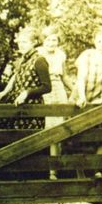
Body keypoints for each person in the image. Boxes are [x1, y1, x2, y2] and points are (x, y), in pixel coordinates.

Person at [71, 26, 102, 181]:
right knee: (76, 133)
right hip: (80, 97)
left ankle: (96, 169)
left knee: (98, 136)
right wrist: (81, 96)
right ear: (94, 42)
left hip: (98, 99)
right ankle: (78, 172)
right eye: (99, 41)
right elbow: (81, 77)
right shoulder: (87, 55)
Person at [0, 25, 52, 130]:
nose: (21, 45)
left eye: (24, 42)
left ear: (34, 42)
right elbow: (16, 76)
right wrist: (5, 91)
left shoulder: (39, 60)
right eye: (19, 42)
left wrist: (27, 93)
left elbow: (47, 87)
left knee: (29, 137)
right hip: (18, 104)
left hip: (32, 108)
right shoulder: (23, 59)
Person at [38, 25, 71, 179]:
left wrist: (77, 91)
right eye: (48, 40)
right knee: (49, 129)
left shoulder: (60, 55)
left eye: (54, 40)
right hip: (44, 90)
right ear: (43, 40)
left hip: (59, 90)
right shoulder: (38, 54)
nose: (51, 43)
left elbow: (64, 76)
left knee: (60, 128)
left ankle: (56, 169)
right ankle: (50, 169)